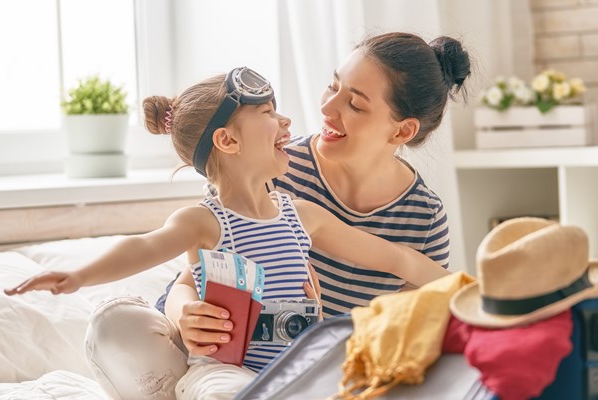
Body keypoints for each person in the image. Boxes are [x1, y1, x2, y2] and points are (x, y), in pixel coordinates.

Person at [4, 66, 451, 400]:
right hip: (224, 370)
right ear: (228, 142)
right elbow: (143, 247)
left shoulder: (302, 215)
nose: (288, 123)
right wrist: (78, 277)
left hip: (297, 369)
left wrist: (474, 290)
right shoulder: (206, 221)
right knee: (215, 388)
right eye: (269, 113)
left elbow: (397, 259)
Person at [164, 31, 472, 361]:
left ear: (402, 131)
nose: (326, 107)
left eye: (354, 104)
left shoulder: (423, 217)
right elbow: (187, 284)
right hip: (234, 356)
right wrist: (185, 314)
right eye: (333, 85)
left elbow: (408, 331)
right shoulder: (271, 168)